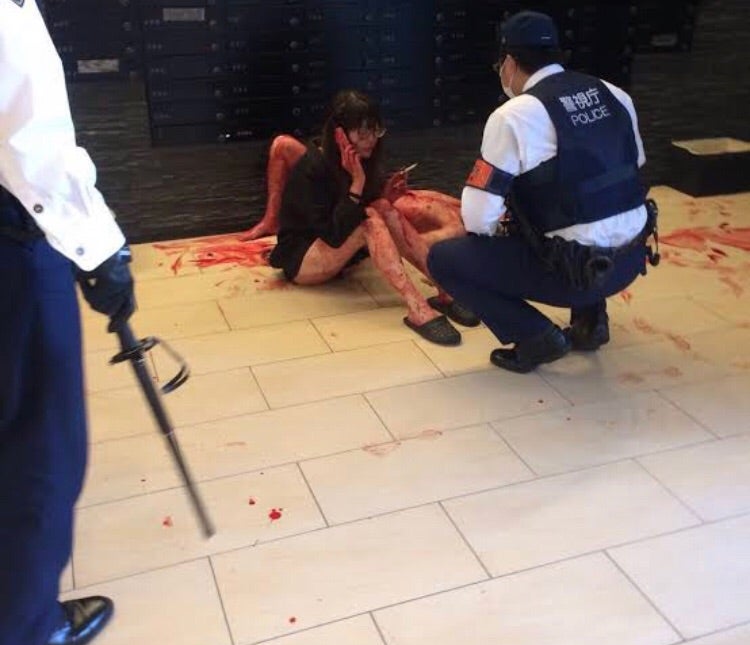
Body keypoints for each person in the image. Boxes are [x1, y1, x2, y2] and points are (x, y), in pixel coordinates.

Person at [1, 1, 136, 645]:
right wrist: (101, 251)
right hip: (12, 249)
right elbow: (35, 144)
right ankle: (26, 626)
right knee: (40, 444)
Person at [427, 10, 658, 373]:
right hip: (630, 260)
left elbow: (477, 217)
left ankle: (536, 337)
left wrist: (509, 227)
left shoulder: (514, 115)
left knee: (445, 259)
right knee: (582, 204)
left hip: (575, 275)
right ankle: (591, 323)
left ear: (509, 62)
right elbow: (634, 167)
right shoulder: (613, 93)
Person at [258, 90, 479, 345]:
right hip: (304, 258)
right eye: (362, 134)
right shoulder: (313, 167)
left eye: (375, 131)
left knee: (383, 207)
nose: (370, 140)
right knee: (370, 221)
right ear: (340, 134)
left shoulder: (362, 157)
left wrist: (386, 195)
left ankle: (444, 290)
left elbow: (367, 206)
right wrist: (357, 185)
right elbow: (333, 234)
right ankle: (417, 307)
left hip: (337, 250)